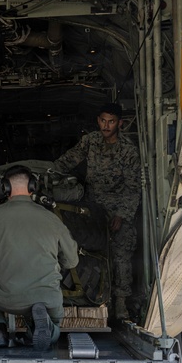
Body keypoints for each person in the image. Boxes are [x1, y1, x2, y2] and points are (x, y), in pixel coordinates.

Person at [0, 166, 79, 351]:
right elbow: (71, 261)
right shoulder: (51, 218)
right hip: (47, 298)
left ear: (4, 188)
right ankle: (45, 324)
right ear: (32, 187)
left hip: (5, 299)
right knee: (54, 326)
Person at [53, 103, 140, 320]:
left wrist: (122, 214)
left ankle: (120, 304)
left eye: (111, 121)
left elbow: (134, 187)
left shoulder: (128, 151)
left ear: (119, 123)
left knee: (121, 257)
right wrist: (50, 172)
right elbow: (69, 159)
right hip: (92, 209)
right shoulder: (90, 141)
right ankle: (96, 297)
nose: (106, 125)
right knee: (89, 253)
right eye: (103, 120)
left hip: (118, 209)